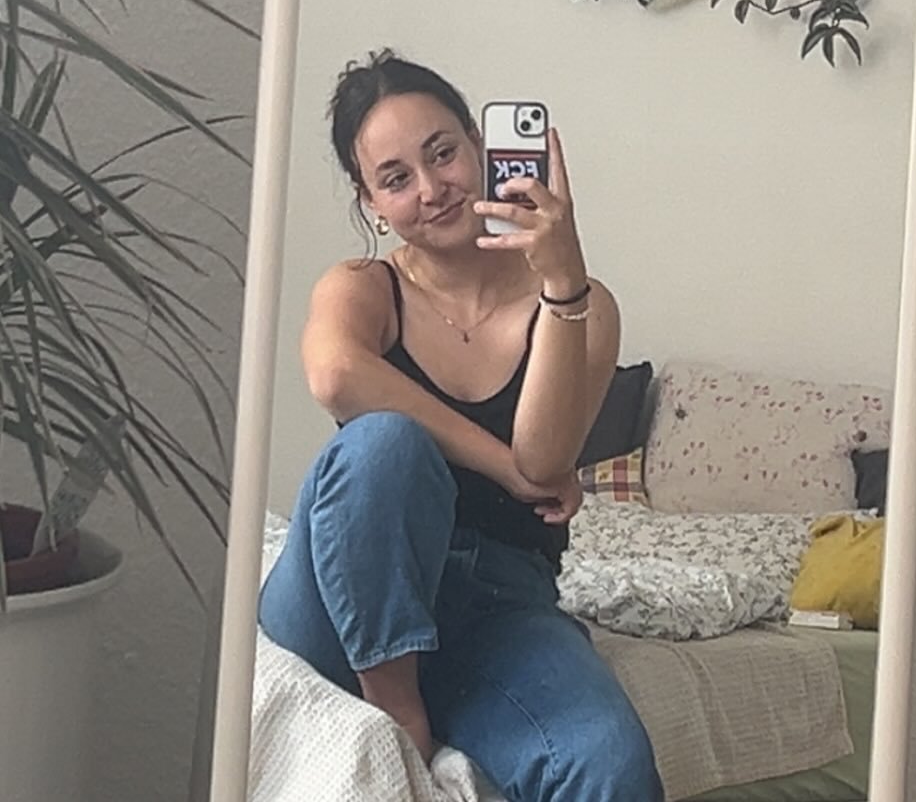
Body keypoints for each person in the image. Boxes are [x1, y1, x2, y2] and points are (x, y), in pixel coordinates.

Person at [258, 52, 665, 801]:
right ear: (371, 202)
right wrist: (499, 466)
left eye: (442, 153)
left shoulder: (582, 305)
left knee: (607, 759)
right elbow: (336, 376)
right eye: (396, 178)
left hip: (493, 603)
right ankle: (396, 709)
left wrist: (561, 283)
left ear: (480, 147)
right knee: (385, 442)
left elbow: (542, 460)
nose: (430, 188)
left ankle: (423, 691)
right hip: (343, 601)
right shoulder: (362, 287)